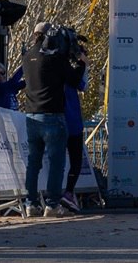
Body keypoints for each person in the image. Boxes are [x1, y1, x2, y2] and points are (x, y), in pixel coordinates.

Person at [22, 21, 87, 217]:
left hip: (31, 115)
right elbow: (75, 80)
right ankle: (52, 204)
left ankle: (31, 204)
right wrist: (82, 62)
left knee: (34, 163)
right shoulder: (54, 57)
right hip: (53, 115)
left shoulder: (27, 56)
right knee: (56, 164)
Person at [61, 58, 89, 213]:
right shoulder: (71, 73)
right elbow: (84, 85)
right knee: (75, 161)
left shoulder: (50, 71)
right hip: (72, 124)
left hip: (56, 121)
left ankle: (54, 198)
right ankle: (68, 192)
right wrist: (84, 64)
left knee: (56, 162)